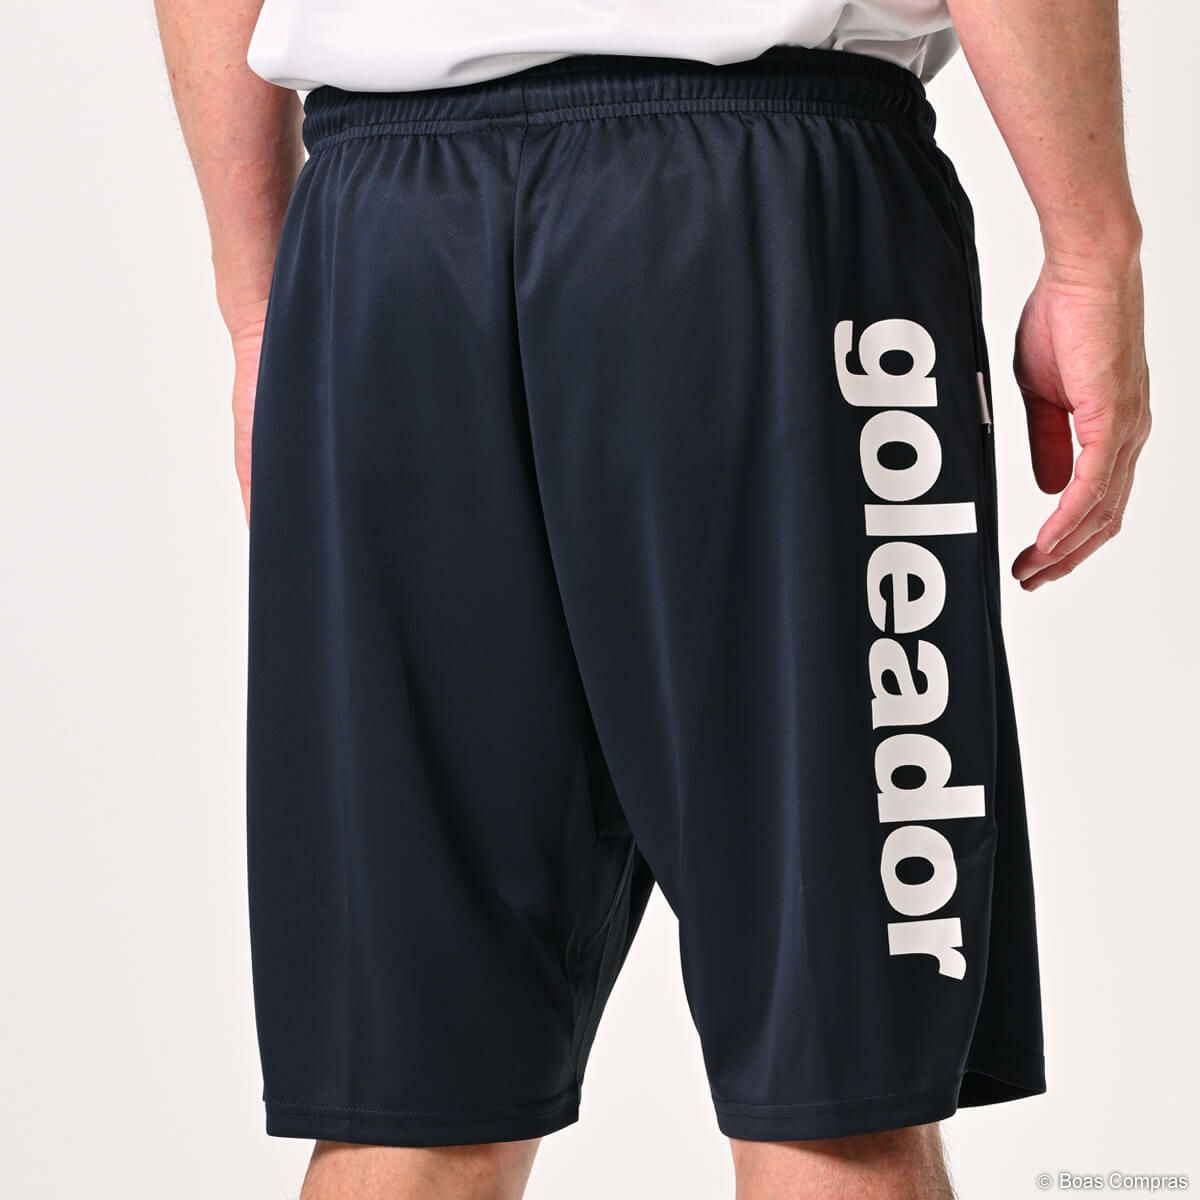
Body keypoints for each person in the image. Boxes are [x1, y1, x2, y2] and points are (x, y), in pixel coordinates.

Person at [155, 1, 1150, 1196]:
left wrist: (260, 299)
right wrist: (1092, 245)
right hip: (759, 204)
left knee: (411, 1109)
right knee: (836, 1092)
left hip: (381, 238)